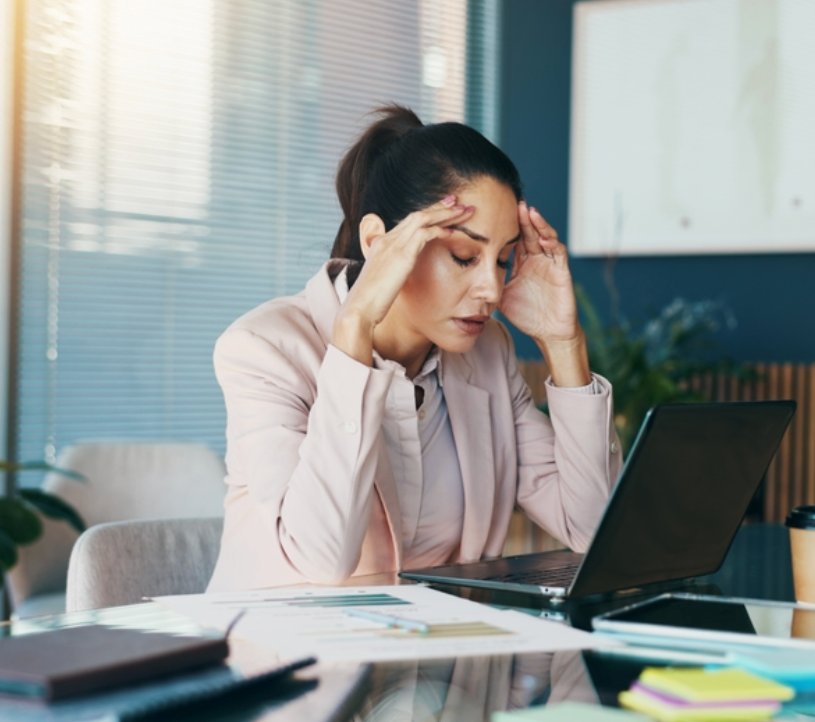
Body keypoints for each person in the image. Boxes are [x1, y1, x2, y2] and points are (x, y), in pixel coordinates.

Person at [206, 105, 622, 592]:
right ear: (379, 243)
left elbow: (593, 530)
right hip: (290, 657)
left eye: (503, 259)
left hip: (442, 657)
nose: (491, 288)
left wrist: (563, 342)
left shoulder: (487, 352)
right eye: (464, 256)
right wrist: (355, 329)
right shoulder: (263, 349)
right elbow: (321, 558)